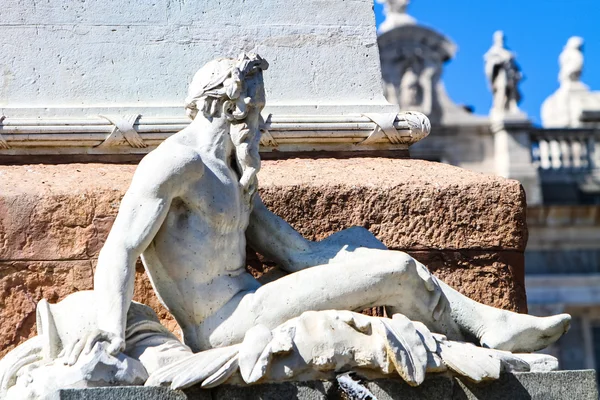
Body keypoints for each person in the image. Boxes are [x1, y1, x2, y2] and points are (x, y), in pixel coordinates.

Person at [72, 53, 568, 364]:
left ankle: (483, 328)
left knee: (362, 242)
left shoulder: (233, 174)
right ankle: (476, 349)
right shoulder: (176, 165)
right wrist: (109, 335)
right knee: (394, 269)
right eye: (255, 110)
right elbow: (120, 247)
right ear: (224, 108)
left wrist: (353, 255)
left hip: (250, 302)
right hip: (220, 324)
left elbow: (299, 254)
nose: (262, 124)